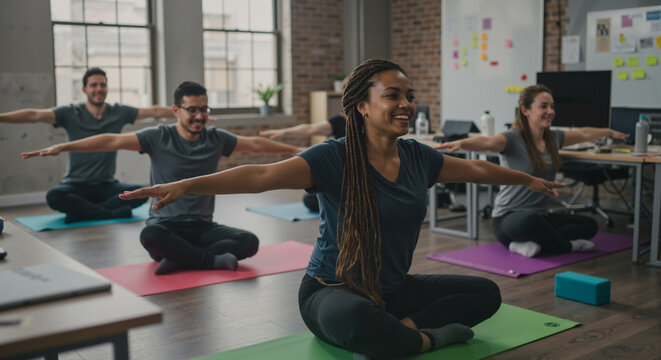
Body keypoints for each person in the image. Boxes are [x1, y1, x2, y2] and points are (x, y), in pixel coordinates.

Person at [118, 60, 565, 358]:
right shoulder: (333, 157)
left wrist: (528, 178)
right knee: (353, 318)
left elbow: (477, 173)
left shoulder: (417, 157)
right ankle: (425, 338)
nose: (406, 104)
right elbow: (260, 176)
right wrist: (184, 183)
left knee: (486, 294)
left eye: (409, 96)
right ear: (362, 106)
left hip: (390, 290)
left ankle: (402, 334)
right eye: (393, 95)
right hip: (331, 289)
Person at [23, 81, 302, 275]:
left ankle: (182, 260)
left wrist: (297, 150)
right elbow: (111, 140)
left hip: (203, 227)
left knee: (249, 241)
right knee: (150, 235)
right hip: (166, 227)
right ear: (176, 111)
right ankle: (208, 259)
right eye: (192, 110)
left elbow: (254, 145)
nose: (199, 116)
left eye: (204, 110)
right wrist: (64, 146)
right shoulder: (158, 137)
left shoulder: (216, 139)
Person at [436, 84, 629, 258]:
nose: (550, 111)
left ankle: (531, 244)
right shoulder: (512, 138)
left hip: (541, 216)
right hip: (508, 219)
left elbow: (583, 133)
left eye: (552, 106)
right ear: (525, 110)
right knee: (530, 221)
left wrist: (609, 132)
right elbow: (487, 142)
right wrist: (461, 143)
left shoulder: (554, 137)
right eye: (543, 106)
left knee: (589, 225)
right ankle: (564, 246)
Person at [0, 68, 174, 223]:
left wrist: (191, 113)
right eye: (93, 85)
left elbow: (156, 111)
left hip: (106, 185)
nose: (99, 89)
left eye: (102, 85)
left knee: (141, 192)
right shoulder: (70, 113)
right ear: (84, 89)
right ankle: (109, 213)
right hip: (76, 186)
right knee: (54, 196)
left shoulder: (118, 112)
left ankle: (83, 213)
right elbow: (34, 115)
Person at [260, 113, 347, 212]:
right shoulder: (340, 121)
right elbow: (310, 128)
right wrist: (284, 132)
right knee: (310, 200)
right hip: (339, 179)